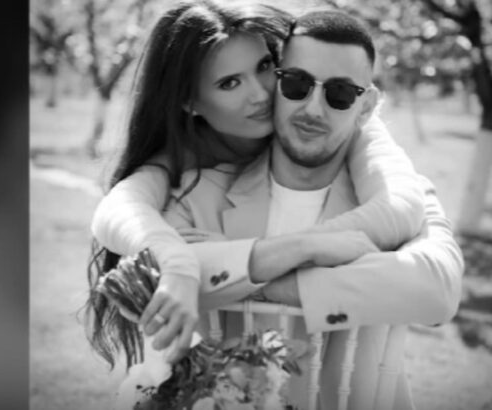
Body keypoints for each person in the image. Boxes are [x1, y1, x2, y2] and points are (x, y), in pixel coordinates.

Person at [86, 0, 426, 366]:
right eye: (229, 83)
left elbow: (401, 208)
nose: (262, 94)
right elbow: (117, 210)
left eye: (264, 66)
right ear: (190, 103)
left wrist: (285, 256)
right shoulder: (184, 156)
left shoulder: (341, 121)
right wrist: (179, 264)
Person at [155, 9, 464, 409]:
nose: (314, 109)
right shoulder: (199, 194)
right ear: (276, 83)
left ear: (366, 105)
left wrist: (267, 280)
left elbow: (438, 291)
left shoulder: (399, 195)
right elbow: (156, 271)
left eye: (340, 94)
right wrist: (304, 251)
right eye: (297, 84)